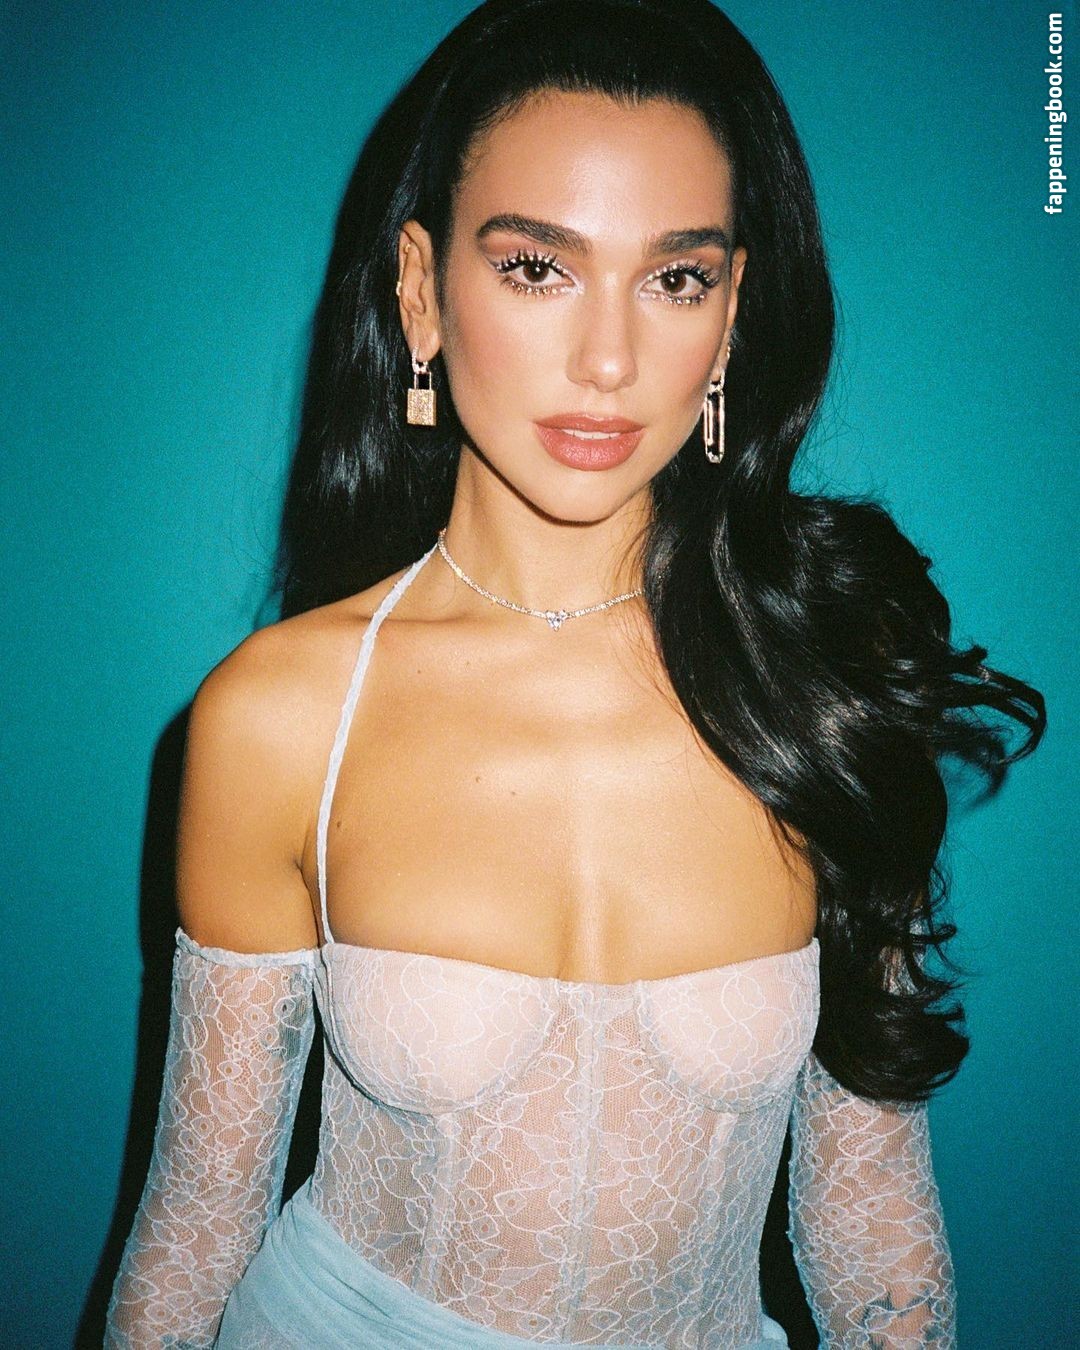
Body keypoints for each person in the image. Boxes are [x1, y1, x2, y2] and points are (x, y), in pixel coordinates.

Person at [104, 0, 1044, 1346]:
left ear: (731, 317)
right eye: (538, 268)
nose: (609, 361)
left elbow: (873, 1212)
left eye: (676, 280)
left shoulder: (829, 686)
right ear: (422, 290)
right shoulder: (279, 717)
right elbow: (197, 1224)